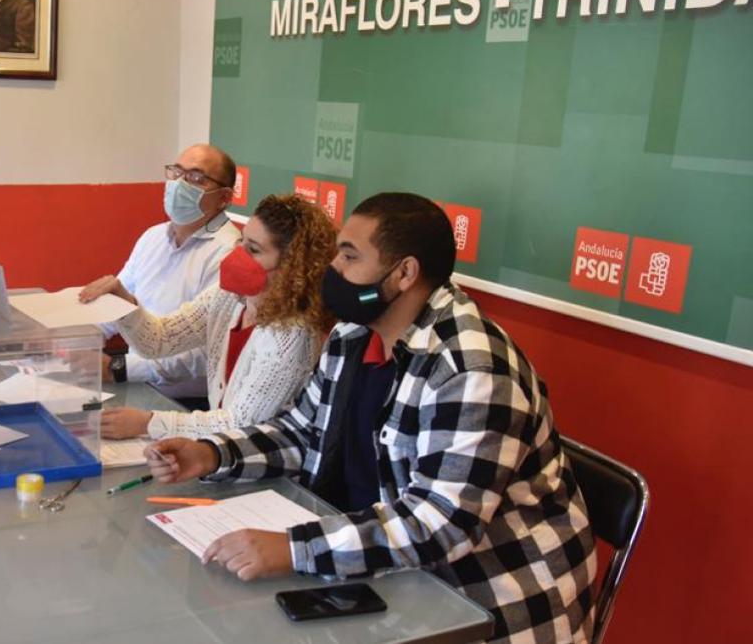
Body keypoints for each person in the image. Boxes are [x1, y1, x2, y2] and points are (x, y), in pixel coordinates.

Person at [145, 192, 597, 644]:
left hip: (486, 605)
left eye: (349, 256)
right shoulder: (353, 334)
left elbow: (437, 526)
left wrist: (295, 549)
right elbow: (303, 432)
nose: (333, 269)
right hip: (386, 579)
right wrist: (212, 454)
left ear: (404, 273)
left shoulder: (469, 370)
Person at [82, 194, 334, 440]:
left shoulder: (292, 333)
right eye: (242, 242)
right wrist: (125, 304)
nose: (238, 254)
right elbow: (159, 340)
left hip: (262, 467)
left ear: (292, 266)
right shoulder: (229, 297)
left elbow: (240, 425)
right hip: (220, 453)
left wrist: (149, 423)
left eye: (253, 249)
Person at [83, 143, 241, 406]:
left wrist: (117, 368)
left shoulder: (229, 254)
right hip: (134, 386)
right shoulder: (153, 237)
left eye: (196, 177)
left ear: (223, 198)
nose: (180, 183)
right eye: (177, 172)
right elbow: (116, 306)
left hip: (188, 403)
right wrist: (79, 341)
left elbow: (205, 352)